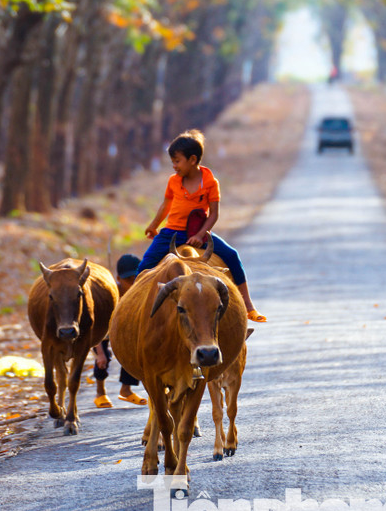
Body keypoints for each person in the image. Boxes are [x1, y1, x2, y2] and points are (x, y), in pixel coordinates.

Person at [137, 129, 266, 322]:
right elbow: (166, 205)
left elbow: (213, 214)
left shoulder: (210, 183)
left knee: (232, 255)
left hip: (199, 233)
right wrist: (153, 225)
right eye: (172, 161)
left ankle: (248, 305)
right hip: (171, 233)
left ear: (192, 159)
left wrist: (199, 235)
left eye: (177, 161)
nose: (174, 166)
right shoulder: (173, 181)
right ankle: (134, 307)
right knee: (145, 266)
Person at [93, 253, 147, 408]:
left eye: (136, 279)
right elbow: (96, 326)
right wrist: (99, 354)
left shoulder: (140, 295)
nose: (132, 283)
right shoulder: (110, 296)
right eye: (128, 280)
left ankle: (126, 390)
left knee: (131, 354)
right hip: (102, 332)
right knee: (104, 359)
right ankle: (100, 392)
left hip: (124, 330)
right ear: (118, 278)